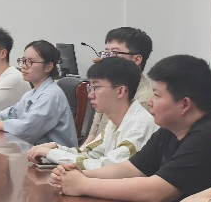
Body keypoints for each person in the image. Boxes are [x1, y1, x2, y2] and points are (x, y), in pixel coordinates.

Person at [50, 55, 211, 202]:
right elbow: (130, 169)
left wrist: (83, 185)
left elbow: (157, 191)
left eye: (156, 95)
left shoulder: (210, 135)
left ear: (184, 104)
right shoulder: (171, 128)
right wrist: (80, 174)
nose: (149, 102)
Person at [29, 56, 157, 169]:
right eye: (90, 88)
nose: (90, 95)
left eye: (96, 87)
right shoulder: (115, 121)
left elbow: (109, 167)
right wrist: (56, 147)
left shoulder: (139, 126)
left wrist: (53, 154)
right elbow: (89, 154)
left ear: (120, 91)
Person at [0, 40, 78, 149]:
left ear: (49, 67)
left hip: (57, 157)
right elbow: (13, 112)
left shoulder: (50, 95)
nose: (24, 66)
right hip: (36, 152)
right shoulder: (32, 93)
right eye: (23, 61)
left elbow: (26, 129)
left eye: (30, 62)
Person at [84, 26, 154, 143]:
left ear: (137, 59)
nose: (107, 59)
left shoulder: (144, 100)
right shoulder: (107, 90)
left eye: (114, 53)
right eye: (106, 53)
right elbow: (93, 137)